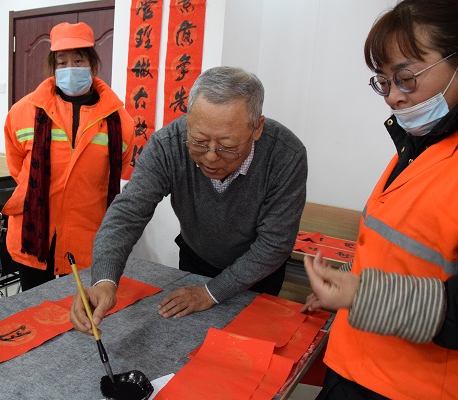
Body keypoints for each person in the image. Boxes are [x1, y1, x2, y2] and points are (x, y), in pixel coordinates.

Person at [71, 66, 308, 334]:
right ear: (189, 119)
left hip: (259, 274)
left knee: (248, 345)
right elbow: (128, 214)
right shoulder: (168, 144)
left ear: (257, 128)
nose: (211, 156)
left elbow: (275, 243)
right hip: (196, 259)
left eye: (228, 147)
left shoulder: (286, 155)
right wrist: (104, 280)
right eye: (199, 142)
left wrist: (210, 293)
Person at [301, 1, 458, 398]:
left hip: (410, 386)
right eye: (383, 83)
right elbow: (401, 251)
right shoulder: (417, 148)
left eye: (406, 78)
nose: (392, 98)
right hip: (351, 364)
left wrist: (362, 294)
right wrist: (344, 283)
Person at [2, 22, 135, 291]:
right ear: (53, 67)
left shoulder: (120, 120)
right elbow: (17, 167)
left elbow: (119, 169)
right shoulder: (23, 111)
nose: (70, 68)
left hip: (86, 236)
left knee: (78, 307)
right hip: (33, 234)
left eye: (78, 60)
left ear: (92, 64)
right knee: (34, 307)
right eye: (62, 62)